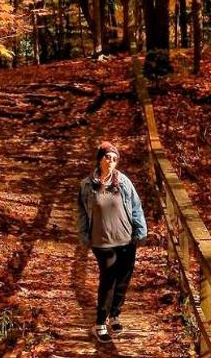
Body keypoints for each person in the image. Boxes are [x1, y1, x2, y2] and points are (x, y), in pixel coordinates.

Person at [76, 141, 146, 343]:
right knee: (108, 280)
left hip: (126, 240)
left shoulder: (123, 182)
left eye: (115, 159)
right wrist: (83, 235)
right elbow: (82, 213)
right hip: (102, 242)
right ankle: (99, 322)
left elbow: (135, 206)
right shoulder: (87, 185)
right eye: (108, 157)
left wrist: (140, 231)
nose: (111, 162)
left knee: (123, 279)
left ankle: (115, 314)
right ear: (100, 159)